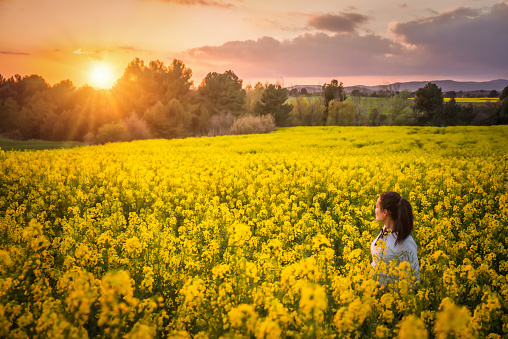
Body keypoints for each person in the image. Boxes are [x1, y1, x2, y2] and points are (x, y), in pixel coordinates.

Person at [370, 191, 420, 288]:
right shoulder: (384, 232)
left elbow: (414, 280)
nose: (375, 210)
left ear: (385, 212)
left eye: (377, 207)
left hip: (393, 298)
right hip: (375, 294)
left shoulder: (405, 242)